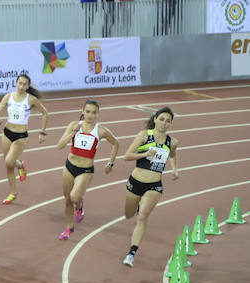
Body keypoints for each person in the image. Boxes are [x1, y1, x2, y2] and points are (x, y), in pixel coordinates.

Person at [122, 107, 179, 267]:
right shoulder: (144, 135)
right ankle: (138, 208)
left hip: (154, 185)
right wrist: (144, 154)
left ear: (171, 124)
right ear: (155, 119)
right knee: (129, 214)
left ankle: (131, 254)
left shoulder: (172, 142)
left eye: (168, 121)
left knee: (142, 216)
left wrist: (174, 169)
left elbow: (173, 154)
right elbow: (127, 156)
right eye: (161, 119)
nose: (164, 123)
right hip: (136, 181)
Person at [55, 99, 119, 240]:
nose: (90, 115)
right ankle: (69, 227)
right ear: (82, 111)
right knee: (67, 199)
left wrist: (111, 163)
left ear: (98, 114)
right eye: (88, 111)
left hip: (85, 170)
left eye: (94, 112)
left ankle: (80, 206)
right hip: (69, 166)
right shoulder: (74, 125)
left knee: (74, 197)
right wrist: (72, 133)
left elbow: (116, 143)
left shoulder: (101, 130)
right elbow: (59, 145)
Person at [0, 73, 49, 205]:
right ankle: (16, 180)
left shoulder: (31, 99)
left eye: (24, 84)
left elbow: (45, 113)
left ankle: (15, 181)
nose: (22, 86)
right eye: (20, 83)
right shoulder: (8, 97)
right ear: (16, 83)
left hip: (20, 136)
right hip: (7, 133)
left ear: (28, 86)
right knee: (9, 164)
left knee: (9, 161)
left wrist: (42, 132)